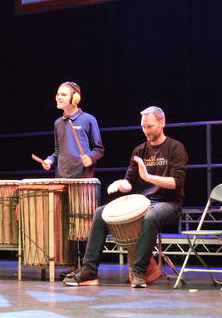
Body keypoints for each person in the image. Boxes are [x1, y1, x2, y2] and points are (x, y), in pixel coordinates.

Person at [64, 106, 187, 288]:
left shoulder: (175, 148)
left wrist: (149, 177)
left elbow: (177, 182)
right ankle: (89, 271)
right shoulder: (139, 150)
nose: (146, 131)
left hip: (168, 203)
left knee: (150, 217)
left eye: (150, 126)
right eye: (143, 127)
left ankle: (138, 271)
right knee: (100, 213)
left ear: (162, 123)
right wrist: (122, 184)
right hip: (140, 202)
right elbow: (130, 181)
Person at [41, 82, 104, 178]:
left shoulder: (88, 119)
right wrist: (50, 160)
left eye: (63, 95)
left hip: (82, 178)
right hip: (61, 178)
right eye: (58, 94)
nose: (59, 97)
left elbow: (99, 149)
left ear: (75, 98)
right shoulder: (58, 123)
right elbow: (58, 151)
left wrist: (90, 158)